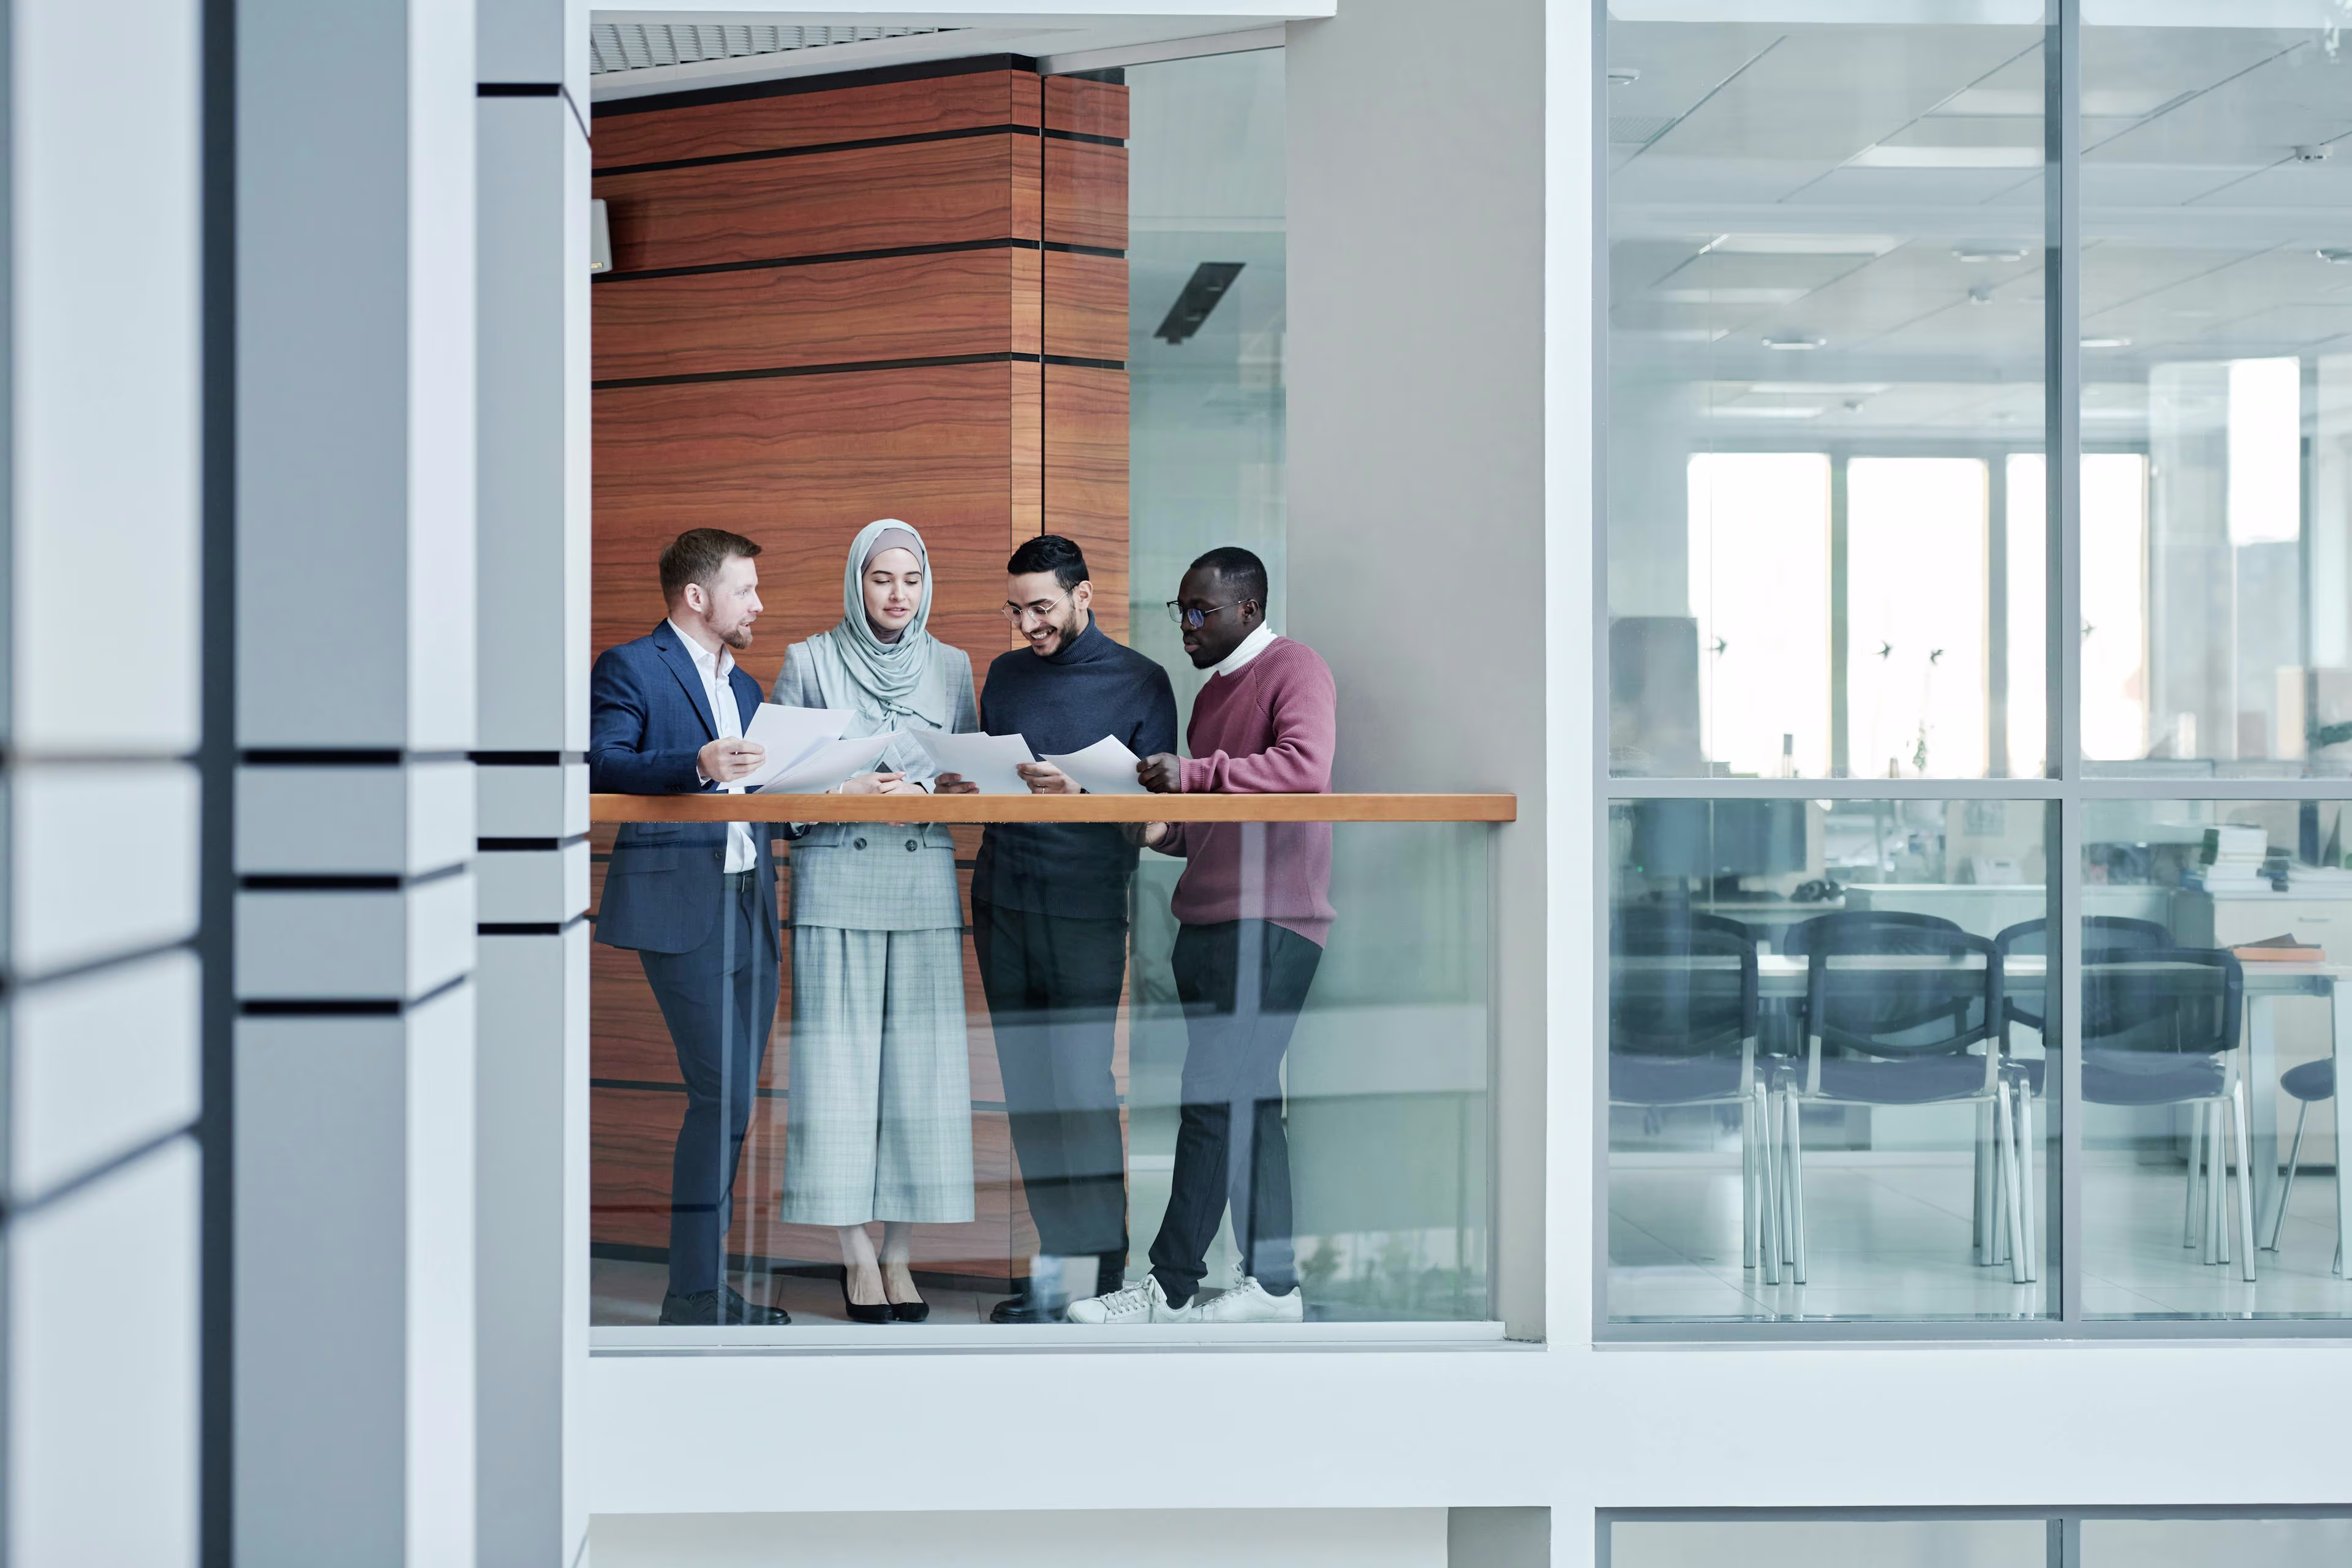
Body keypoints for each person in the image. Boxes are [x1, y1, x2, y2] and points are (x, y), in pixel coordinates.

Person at [1066, 545, 1337, 1325]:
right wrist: (1162, 830)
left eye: (1200, 611)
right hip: (1212, 916)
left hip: (1276, 919)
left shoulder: (1296, 668)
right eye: (1178, 610)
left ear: (1247, 610)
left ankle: (1172, 1285)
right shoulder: (1214, 692)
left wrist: (1190, 776)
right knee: (1246, 1102)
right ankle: (1277, 1284)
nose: (1185, 625)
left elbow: (1304, 769)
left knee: (1211, 1101)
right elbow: (1222, 810)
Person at [771, 519, 981, 1325]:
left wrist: (929, 793)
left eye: (911, 580)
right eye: (882, 579)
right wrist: (842, 797)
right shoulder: (808, 660)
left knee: (922, 1078)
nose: (898, 595)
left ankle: (900, 1255)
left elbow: (971, 778)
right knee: (839, 1075)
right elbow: (776, 790)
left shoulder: (955, 666)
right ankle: (855, 1254)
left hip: (923, 879)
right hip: (834, 881)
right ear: (856, 581)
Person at [968, 535, 1178, 1323]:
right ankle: (1059, 1276)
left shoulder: (1140, 681)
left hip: (1088, 905)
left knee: (1082, 1090)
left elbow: (1159, 815)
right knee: (1028, 1092)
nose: (1029, 625)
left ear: (1084, 595)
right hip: (1003, 900)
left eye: (1043, 608)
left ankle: (1103, 1280)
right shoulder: (1005, 676)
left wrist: (1080, 790)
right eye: (1017, 609)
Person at [588, 527, 791, 1327]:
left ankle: (703, 1286)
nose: (759, 604)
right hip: (683, 901)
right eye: (746, 590)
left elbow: (757, 787)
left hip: (751, 899)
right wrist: (695, 766)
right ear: (697, 597)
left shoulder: (744, 687)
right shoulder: (632, 665)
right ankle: (695, 1291)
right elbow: (603, 761)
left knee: (735, 1099)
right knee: (721, 1092)